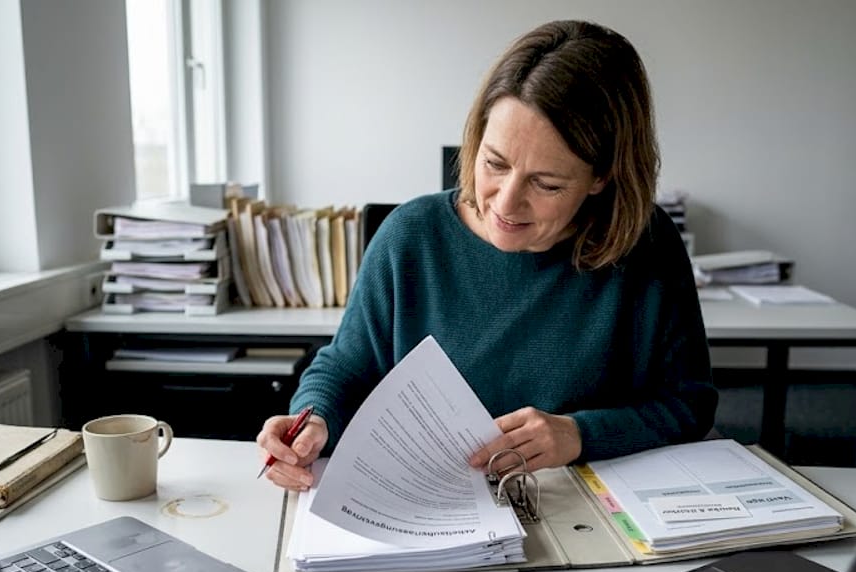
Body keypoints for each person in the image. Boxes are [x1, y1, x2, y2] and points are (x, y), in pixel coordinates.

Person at [257, 19, 717, 491]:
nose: (505, 201)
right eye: (494, 163)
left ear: (602, 178)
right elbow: (346, 367)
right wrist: (310, 420)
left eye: (546, 183)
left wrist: (580, 434)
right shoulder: (410, 237)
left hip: (587, 500)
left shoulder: (647, 245)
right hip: (429, 502)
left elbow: (689, 404)